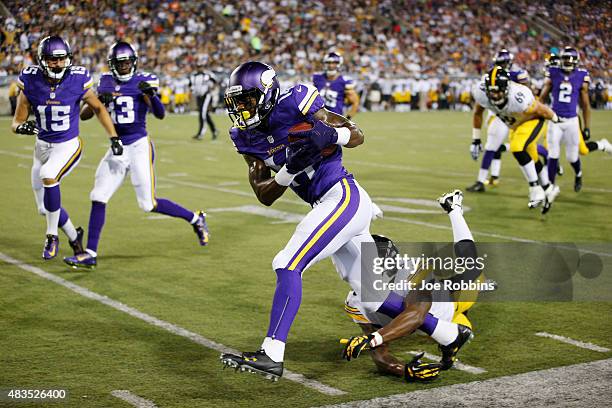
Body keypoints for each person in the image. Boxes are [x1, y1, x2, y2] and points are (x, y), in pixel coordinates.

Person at [220, 61, 373, 381]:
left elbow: (357, 135)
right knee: (377, 294)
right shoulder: (244, 137)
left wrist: (330, 134)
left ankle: (272, 353)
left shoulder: (296, 101)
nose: (241, 112)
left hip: (342, 194)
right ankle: (447, 333)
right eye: (237, 104)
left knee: (287, 261)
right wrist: (289, 170)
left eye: (246, 102)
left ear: (266, 93)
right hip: (325, 202)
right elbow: (264, 194)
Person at [63, 41, 209, 270]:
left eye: (127, 63)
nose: (124, 67)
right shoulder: (104, 82)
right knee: (98, 195)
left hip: (139, 145)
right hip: (117, 146)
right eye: (120, 64)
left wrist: (151, 95)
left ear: (134, 62)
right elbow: (84, 115)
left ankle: (195, 218)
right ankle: (90, 253)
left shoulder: (144, 81)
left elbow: (160, 115)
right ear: (112, 65)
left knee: (148, 204)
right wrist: (99, 101)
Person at [340, 190, 477, 381]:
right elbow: (379, 354)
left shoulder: (412, 272)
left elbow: (416, 314)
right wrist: (403, 370)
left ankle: (454, 209)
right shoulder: (355, 302)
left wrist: (374, 338)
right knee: (465, 331)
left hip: (453, 299)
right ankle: (458, 328)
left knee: (472, 267)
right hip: (442, 326)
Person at [12, 35, 120, 259]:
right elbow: (17, 122)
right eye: (53, 60)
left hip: (68, 145)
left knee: (48, 174)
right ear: (42, 60)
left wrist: (113, 136)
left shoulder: (77, 78)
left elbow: (97, 108)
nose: (58, 64)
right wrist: (21, 128)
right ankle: (74, 237)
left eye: (62, 59)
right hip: (41, 147)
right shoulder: (31, 80)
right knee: (45, 207)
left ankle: (52, 236)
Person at [471, 66, 559, 213]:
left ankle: (535, 189)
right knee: (532, 158)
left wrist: (556, 119)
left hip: (532, 120)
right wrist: (476, 139)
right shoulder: (481, 93)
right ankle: (549, 189)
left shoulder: (519, 96)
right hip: (514, 125)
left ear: (506, 88)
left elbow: (540, 110)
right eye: (491, 91)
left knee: (517, 147)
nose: (495, 95)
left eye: (498, 90)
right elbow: (478, 113)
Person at [539, 46, 612, 193]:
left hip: (572, 121)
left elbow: (585, 105)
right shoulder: (553, 73)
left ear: (576, 62)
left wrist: (586, 127)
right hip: (555, 120)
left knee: (573, 157)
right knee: (553, 154)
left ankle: (578, 174)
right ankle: (550, 188)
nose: (567, 62)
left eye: (570, 59)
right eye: (565, 59)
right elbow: (542, 98)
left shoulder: (581, 75)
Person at [468, 49, 531, 192]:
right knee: (498, 143)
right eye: (499, 63)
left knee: (494, 146)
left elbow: (528, 95)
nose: (500, 66)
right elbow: (478, 110)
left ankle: (480, 181)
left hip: (514, 115)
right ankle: (494, 176)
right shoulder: (490, 77)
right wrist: (476, 139)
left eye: (503, 63)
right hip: (498, 114)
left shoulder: (518, 75)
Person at [312, 52, 359, 119]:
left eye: (334, 63)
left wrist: (348, 118)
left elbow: (355, 102)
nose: (331, 65)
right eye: (329, 62)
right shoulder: (317, 78)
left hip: (335, 120)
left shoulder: (345, 81)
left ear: (339, 64)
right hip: (317, 119)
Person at [190, 67, 219, 140]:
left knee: (202, 114)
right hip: (199, 97)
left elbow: (215, 82)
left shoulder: (208, 74)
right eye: (198, 66)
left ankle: (201, 134)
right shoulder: (193, 76)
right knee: (205, 114)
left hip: (206, 96)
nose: (200, 68)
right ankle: (214, 130)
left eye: (201, 66)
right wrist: (193, 91)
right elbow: (190, 85)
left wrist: (212, 89)